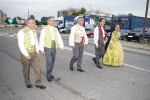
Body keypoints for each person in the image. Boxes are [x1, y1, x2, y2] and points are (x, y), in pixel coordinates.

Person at [17, 18, 46, 89]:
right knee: (26, 69)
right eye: (33, 23)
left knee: (38, 68)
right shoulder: (21, 32)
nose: (34, 24)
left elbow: (36, 42)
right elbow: (21, 45)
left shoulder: (34, 31)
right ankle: (27, 82)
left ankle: (38, 83)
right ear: (28, 24)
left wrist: (37, 51)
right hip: (26, 54)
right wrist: (26, 54)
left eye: (34, 23)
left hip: (34, 53)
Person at [39, 16, 64, 82]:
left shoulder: (55, 29)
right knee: (49, 61)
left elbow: (59, 38)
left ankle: (50, 72)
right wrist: (41, 49)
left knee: (52, 61)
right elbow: (41, 39)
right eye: (52, 21)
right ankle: (48, 74)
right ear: (48, 21)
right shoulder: (44, 29)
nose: (53, 22)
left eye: (54, 21)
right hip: (47, 47)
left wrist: (61, 47)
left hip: (54, 47)